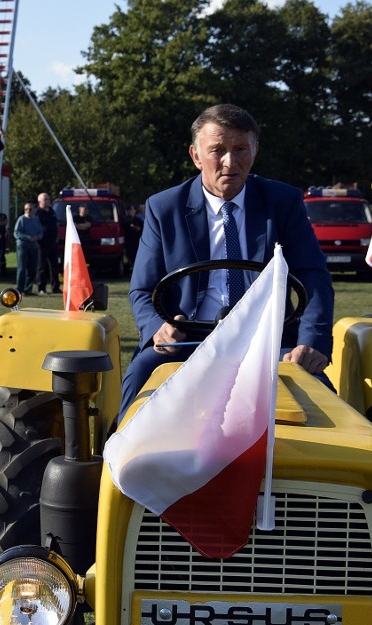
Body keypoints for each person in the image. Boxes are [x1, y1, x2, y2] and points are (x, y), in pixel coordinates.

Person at [121, 103, 334, 419]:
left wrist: (311, 341)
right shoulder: (164, 208)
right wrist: (158, 328)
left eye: (240, 149)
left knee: (324, 400)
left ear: (255, 151)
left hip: (270, 343)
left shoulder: (282, 202)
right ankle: (117, 457)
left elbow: (313, 276)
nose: (229, 162)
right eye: (217, 150)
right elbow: (142, 289)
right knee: (140, 378)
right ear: (195, 156)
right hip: (188, 341)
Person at [13, 201, 43, 295]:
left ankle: (28, 289)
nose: (28, 211)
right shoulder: (21, 219)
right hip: (23, 245)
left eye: (30, 209)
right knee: (22, 268)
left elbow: (40, 232)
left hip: (33, 246)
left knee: (32, 268)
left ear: (34, 209)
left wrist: (37, 237)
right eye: (26, 209)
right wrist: (29, 238)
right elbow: (17, 233)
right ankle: (19, 289)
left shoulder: (36, 219)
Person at [35, 193, 61, 294]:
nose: (47, 201)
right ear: (40, 201)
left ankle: (55, 287)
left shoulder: (52, 211)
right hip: (42, 243)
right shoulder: (37, 212)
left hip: (53, 243)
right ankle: (41, 288)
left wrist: (57, 237)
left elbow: (56, 225)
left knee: (55, 266)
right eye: (45, 199)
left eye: (48, 199)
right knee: (42, 266)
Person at [122, 203, 144, 268]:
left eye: (133, 210)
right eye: (131, 210)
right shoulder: (126, 219)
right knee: (130, 256)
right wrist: (134, 227)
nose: (133, 211)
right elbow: (128, 225)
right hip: (129, 241)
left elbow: (141, 227)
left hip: (137, 241)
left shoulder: (137, 219)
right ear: (128, 211)